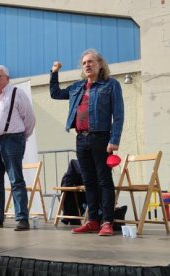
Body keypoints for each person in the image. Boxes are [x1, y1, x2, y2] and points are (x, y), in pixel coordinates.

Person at [50, 49, 124, 236]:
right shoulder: (77, 87)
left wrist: (114, 140)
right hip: (81, 138)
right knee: (89, 181)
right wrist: (54, 72)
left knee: (104, 180)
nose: (87, 65)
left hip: (101, 138)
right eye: (84, 63)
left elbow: (119, 115)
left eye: (91, 61)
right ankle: (92, 220)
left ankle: (107, 221)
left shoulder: (111, 85)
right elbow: (56, 94)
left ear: (100, 64)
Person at [0, 65, 36, 231]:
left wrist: (20, 138)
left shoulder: (17, 93)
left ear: (7, 78)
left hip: (12, 140)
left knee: (16, 180)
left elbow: (30, 119)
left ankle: (22, 218)